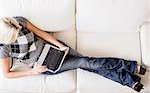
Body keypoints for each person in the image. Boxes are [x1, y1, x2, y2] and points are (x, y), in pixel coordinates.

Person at [0, 16, 146, 92]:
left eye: (18, 30)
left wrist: (60, 45)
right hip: (44, 65)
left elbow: (41, 33)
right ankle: (131, 68)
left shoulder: (18, 21)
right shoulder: (3, 49)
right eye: (15, 34)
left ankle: (131, 80)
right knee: (86, 63)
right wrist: (33, 72)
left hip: (53, 47)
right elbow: (7, 73)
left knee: (89, 64)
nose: (18, 32)